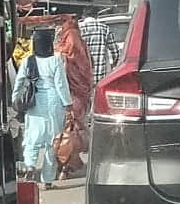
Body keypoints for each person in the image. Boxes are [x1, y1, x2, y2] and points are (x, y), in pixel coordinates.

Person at [11, 27, 71, 186]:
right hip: (54, 102)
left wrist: (15, 99)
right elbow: (61, 84)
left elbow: (19, 82)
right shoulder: (56, 60)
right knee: (53, 141)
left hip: (34, 102)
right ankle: (48, 180)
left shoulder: (28, 60)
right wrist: (68, 103)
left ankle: (30, 166)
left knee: (32, 137)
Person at [79, 12, 120, 97]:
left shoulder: (77, 29)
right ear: (96, 16)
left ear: (83, 16)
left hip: (81, 74)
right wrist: (114, 65)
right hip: (100, 73)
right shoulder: (105, 29)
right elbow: (115, 51)